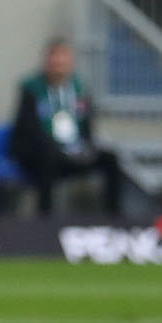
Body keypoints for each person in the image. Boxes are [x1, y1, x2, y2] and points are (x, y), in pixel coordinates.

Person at [9, 38, 122, 214]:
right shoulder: (31, 88)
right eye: (54, 56)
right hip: (39, 151)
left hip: (72, 150)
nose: (58, 61)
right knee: (47, 158)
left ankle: (114, 218)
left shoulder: (79, 88)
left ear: (71, 61)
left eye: (63, 56)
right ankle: (45, 218)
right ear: (47, 60)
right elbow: (28, 128)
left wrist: (86, 147)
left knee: (110, 159)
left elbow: (86, 124)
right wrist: (56, 147)